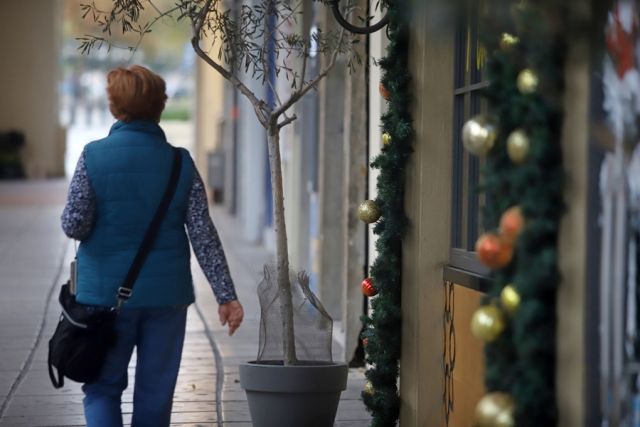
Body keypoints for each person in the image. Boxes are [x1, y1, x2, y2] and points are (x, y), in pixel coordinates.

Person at [60, 65, 244, 427]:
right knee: (156, 392)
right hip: (166, 297)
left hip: (103, 299)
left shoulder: (93, 156)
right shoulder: (181, 162)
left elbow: (74, 224)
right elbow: (203, 234)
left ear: (114, 108)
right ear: (160, 107)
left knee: (102, 388)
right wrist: (226, 295)